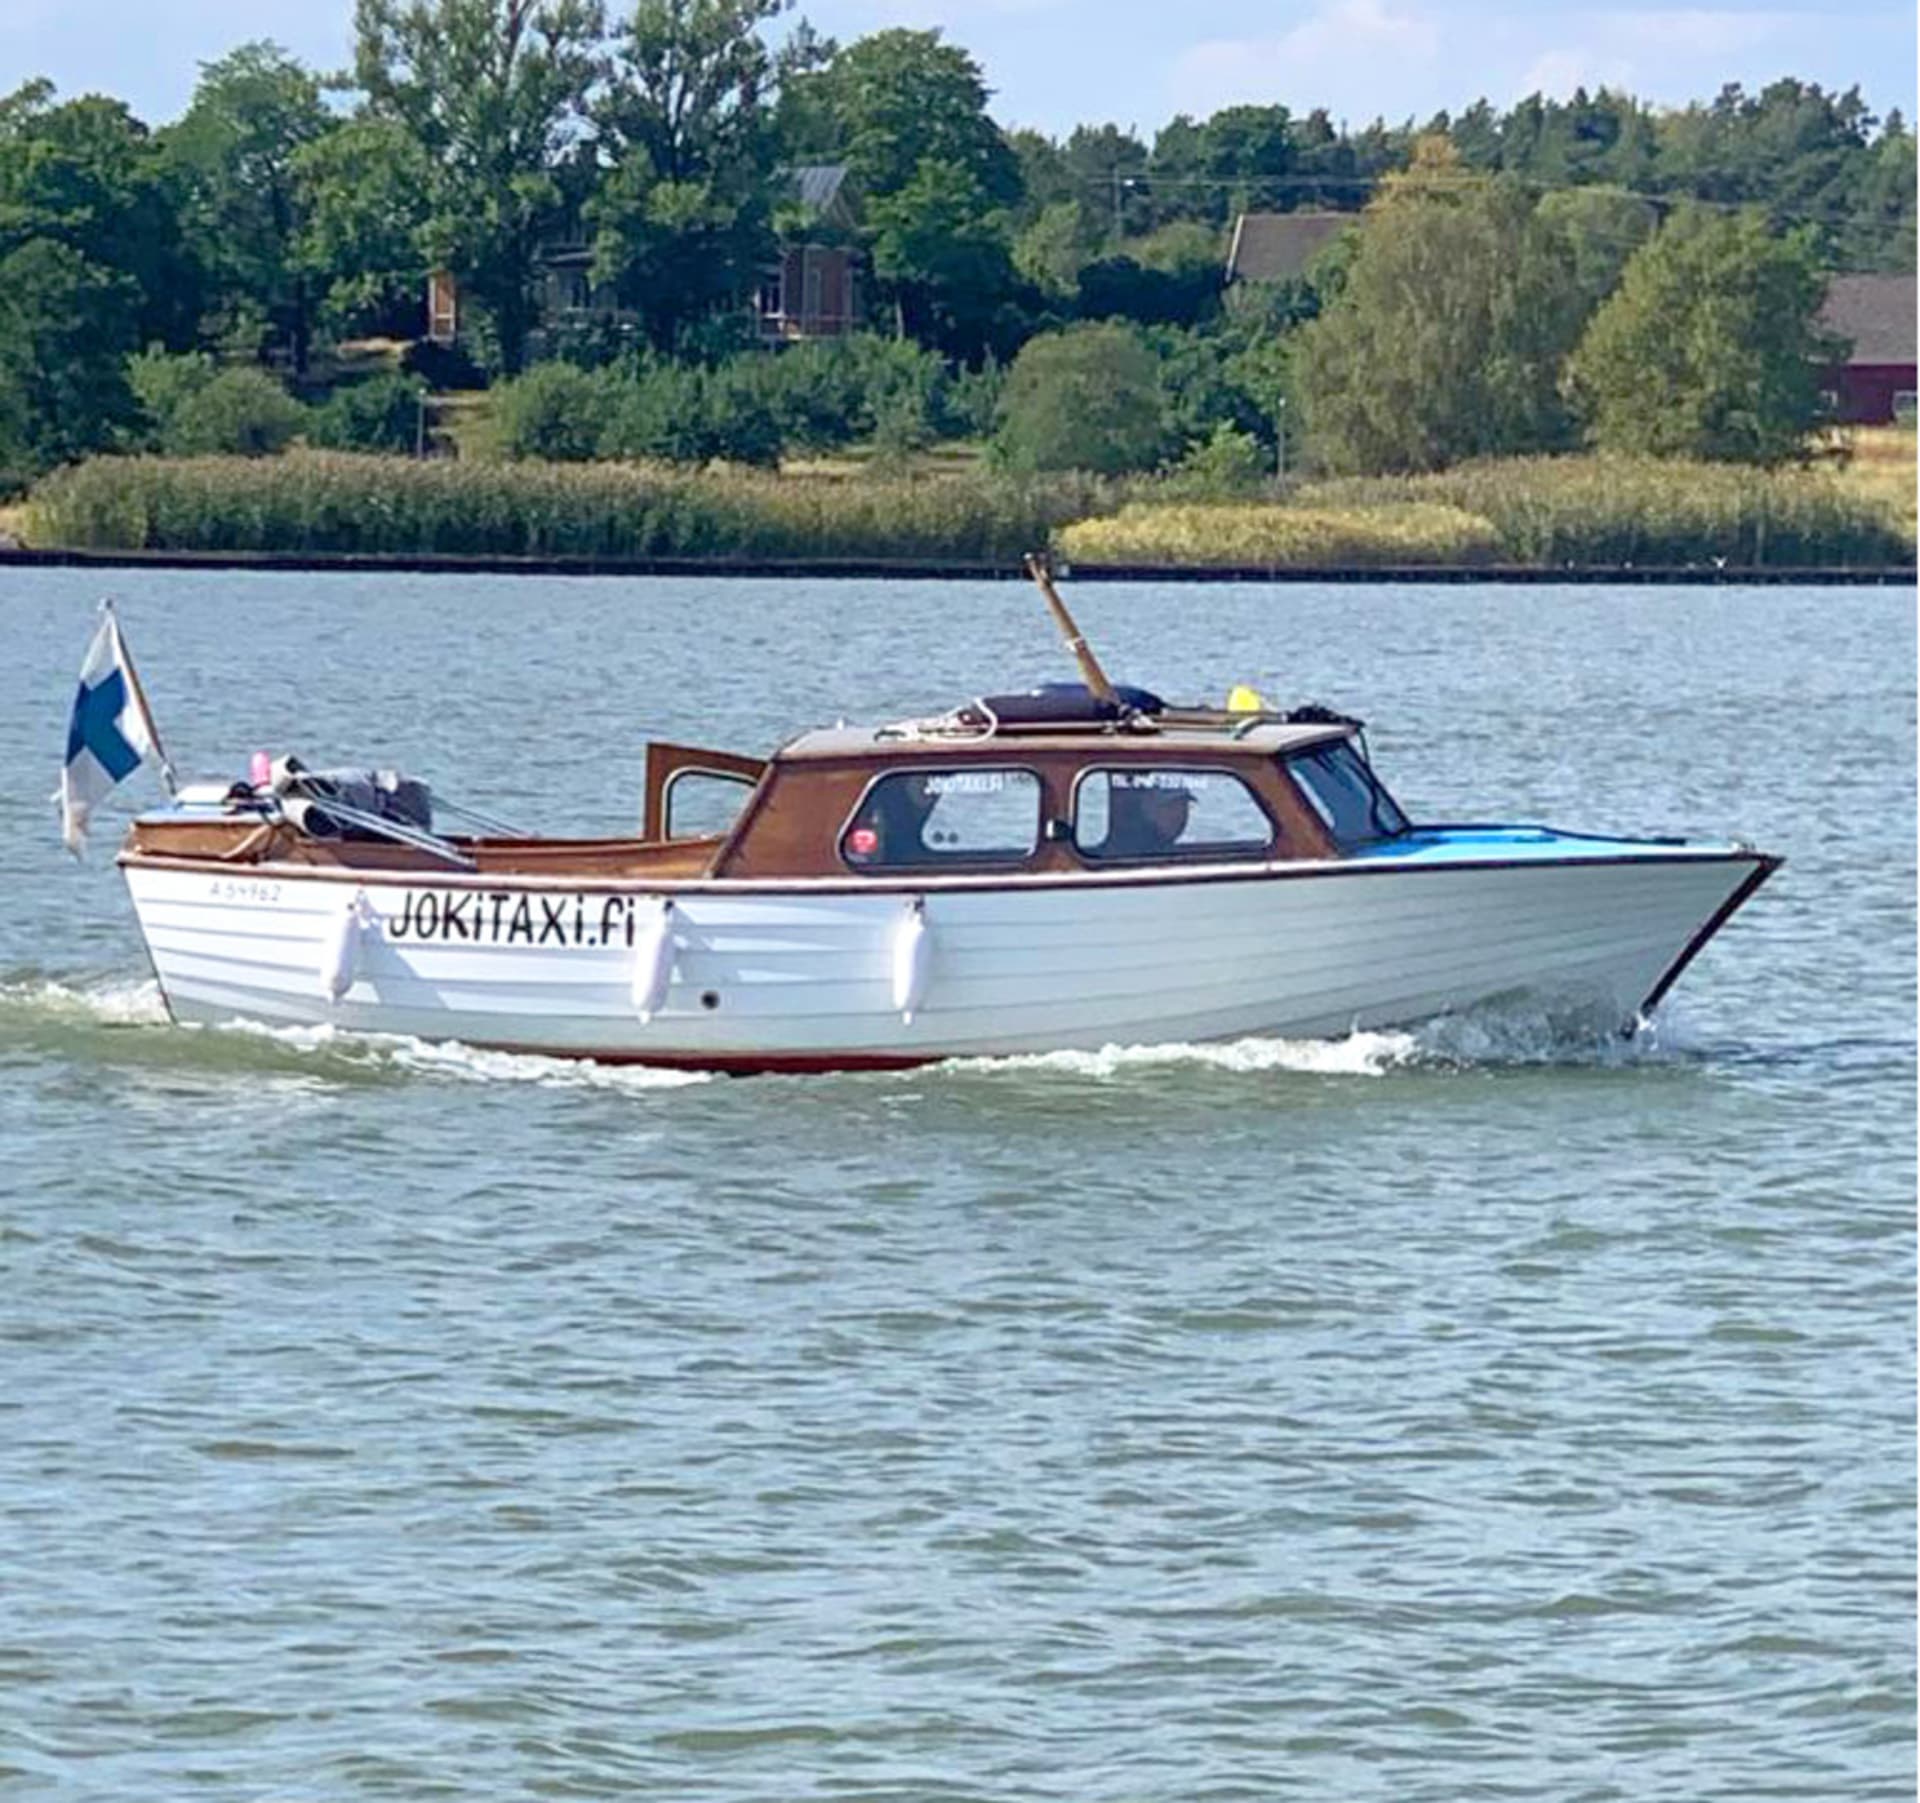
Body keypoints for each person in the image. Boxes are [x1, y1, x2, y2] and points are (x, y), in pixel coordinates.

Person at [1099, 778, 1192, 857]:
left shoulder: (1167, 850)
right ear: (1147, 807)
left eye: (1184, 806)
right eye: (1170, 807)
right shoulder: (1131, 850)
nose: (1179, 815)